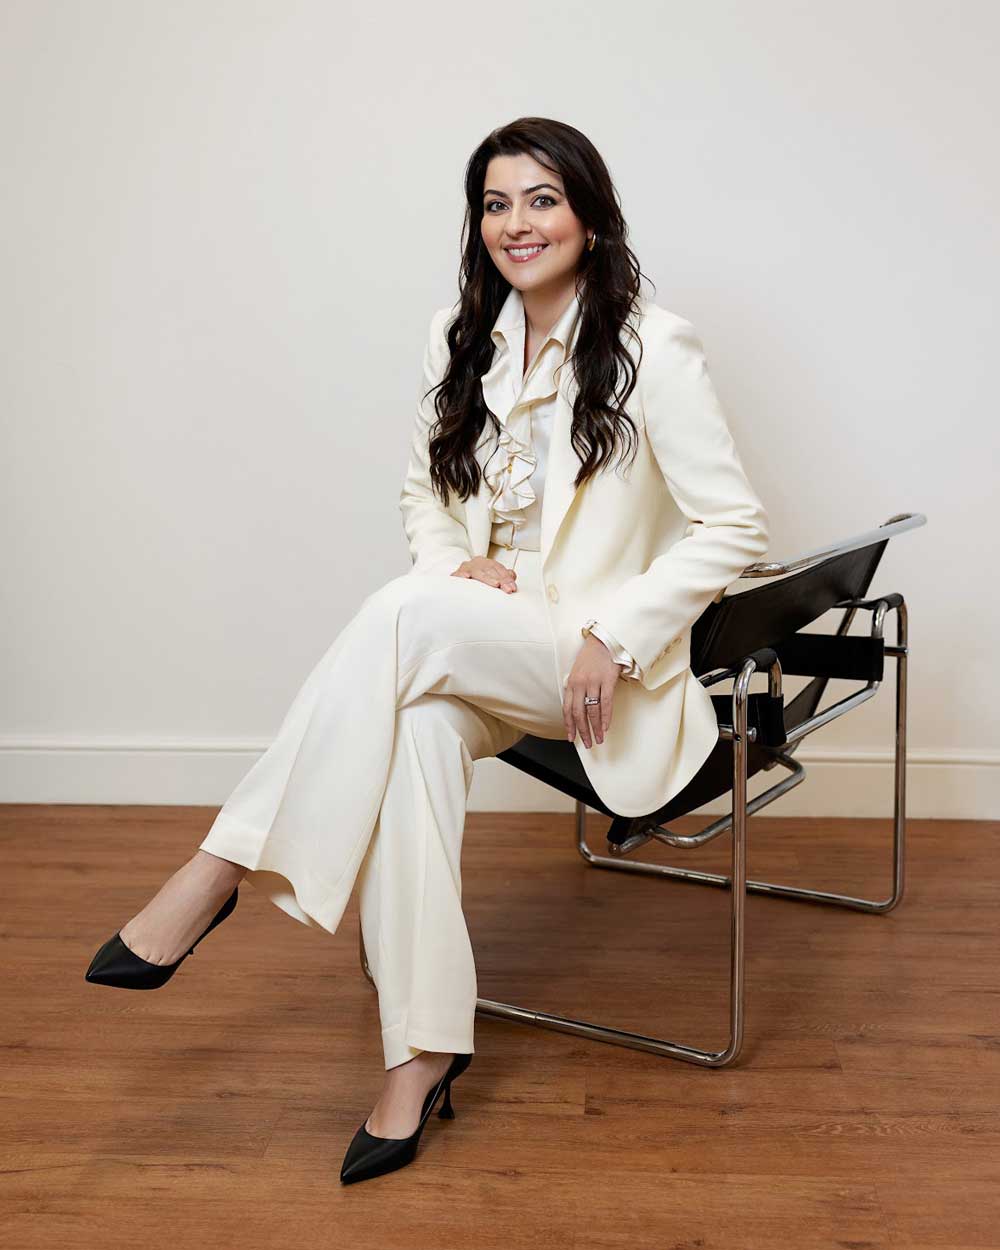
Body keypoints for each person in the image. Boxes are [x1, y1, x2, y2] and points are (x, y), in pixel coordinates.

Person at [84, 116, 769, 1185]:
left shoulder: (650, 345)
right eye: (495, 204)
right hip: (481, 630)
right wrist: (457, 564)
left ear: (588, 213)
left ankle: (219, 863)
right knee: (409, 725)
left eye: (540, 198)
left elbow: (733, 524)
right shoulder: (464, 330)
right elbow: (425, 492)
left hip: (593, 660)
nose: (516, 223)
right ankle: (419, 1051)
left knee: (399, 613)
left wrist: (614, 632)